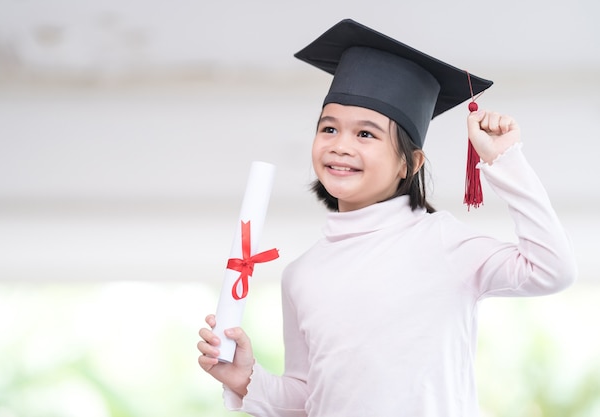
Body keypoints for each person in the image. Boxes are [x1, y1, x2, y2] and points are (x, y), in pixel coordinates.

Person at [197, 19, 577, 417]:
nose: (340, 145)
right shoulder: (302, 274)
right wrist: (246, 378)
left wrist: (505, 161)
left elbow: (551, 269)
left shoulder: (441, 242)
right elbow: (311, 395)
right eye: (329, 128)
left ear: (409, 164)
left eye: (366, 134)